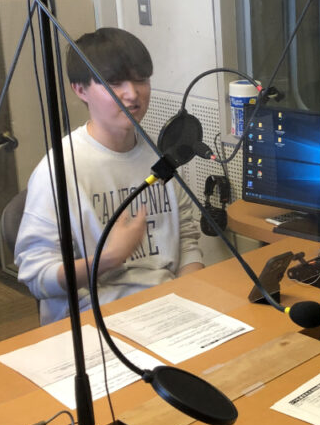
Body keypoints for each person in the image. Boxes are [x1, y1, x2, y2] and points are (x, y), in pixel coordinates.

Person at [15, 27, 203, 325]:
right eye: (114, 83)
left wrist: (190, 299)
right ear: (80, 90)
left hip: (168, 311)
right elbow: (37, 276)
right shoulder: (59, 170)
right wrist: (109, 258)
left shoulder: (157, 156)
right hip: (96, 323)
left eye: (141, 80)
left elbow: (187, 241)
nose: (133, 94)